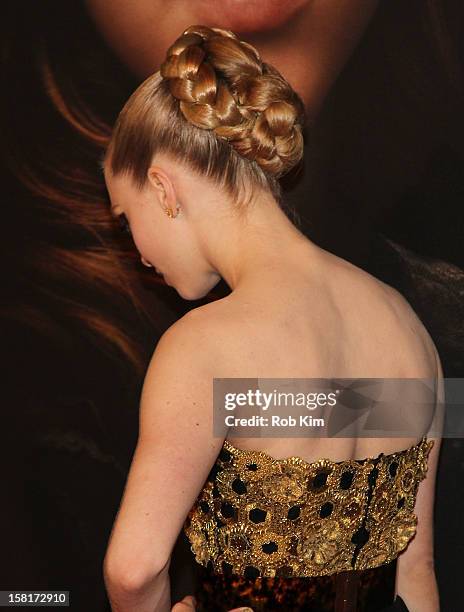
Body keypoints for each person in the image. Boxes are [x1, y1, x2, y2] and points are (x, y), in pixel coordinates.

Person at [100, 25, 443, 611]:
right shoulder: (408, 326)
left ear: (162, 189)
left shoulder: (204, 348)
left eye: (124, 218)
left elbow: (134, 571)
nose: (137, 251)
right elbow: (418, 569)